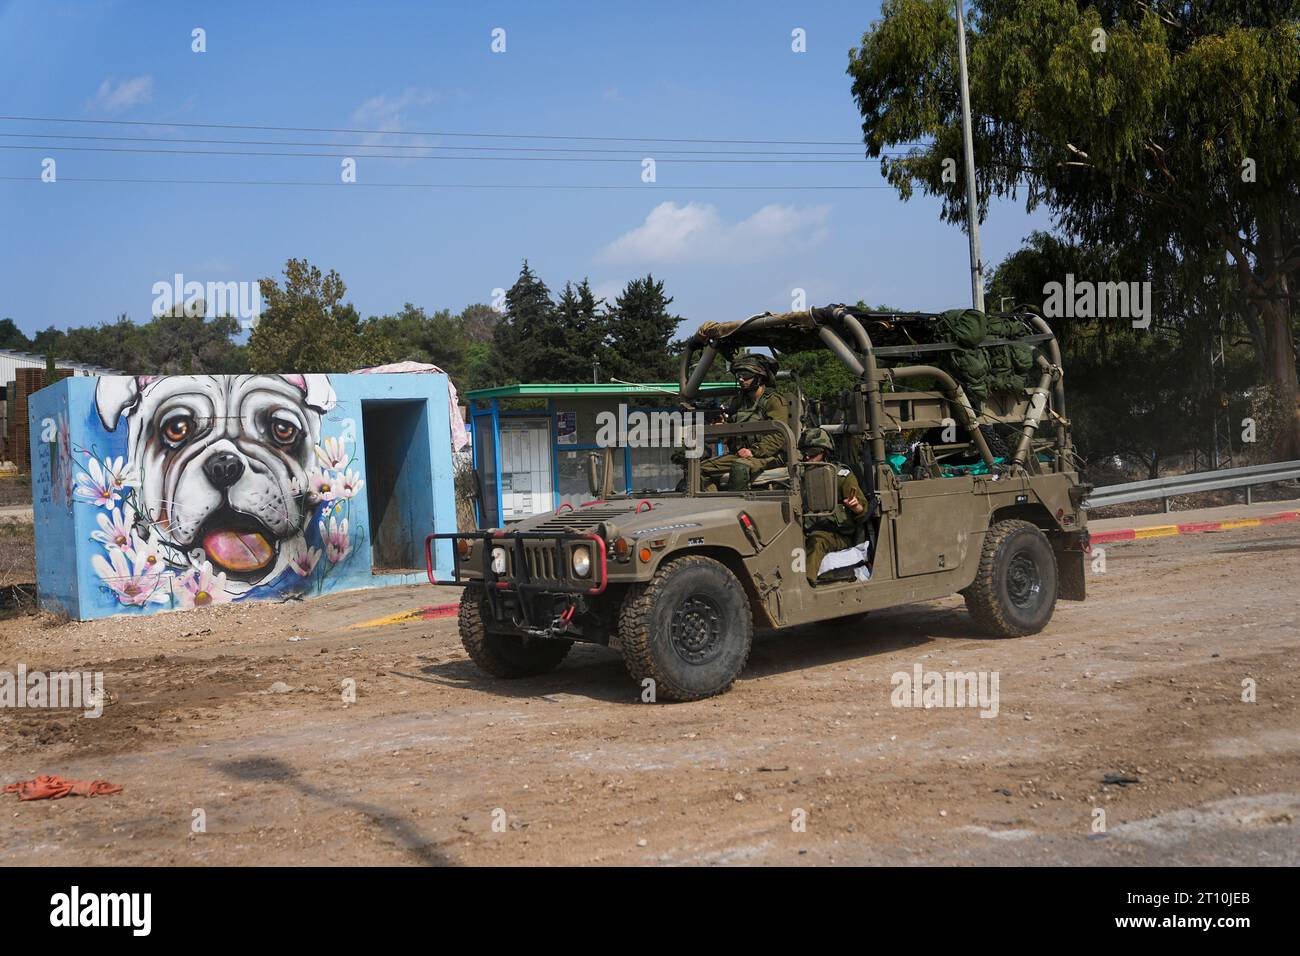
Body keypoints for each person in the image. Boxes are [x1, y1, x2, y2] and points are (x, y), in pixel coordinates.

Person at [699, 354, 789, 492]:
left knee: (739, 467)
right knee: (698, 470)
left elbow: (778, 436)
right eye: (739, 375)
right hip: (741, 455)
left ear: (759, 377)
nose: (741, 379)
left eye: (746, 375)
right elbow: (732, 433)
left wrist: (753, 451)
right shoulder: (739, 402)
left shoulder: (774, 401)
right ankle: (714, 503)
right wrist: (723, 429)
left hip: (770, 456)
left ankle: (737, 505)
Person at [798, 427, 868, 585]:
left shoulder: (841, 476)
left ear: (825, 453)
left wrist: (855, 506)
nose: (807, 458)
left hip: (837, 535)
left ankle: (806, 585)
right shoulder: (801, 477)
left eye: (813, 454)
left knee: (817, 542)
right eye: (804, 453)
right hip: (808, 529)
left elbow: (863, 510)